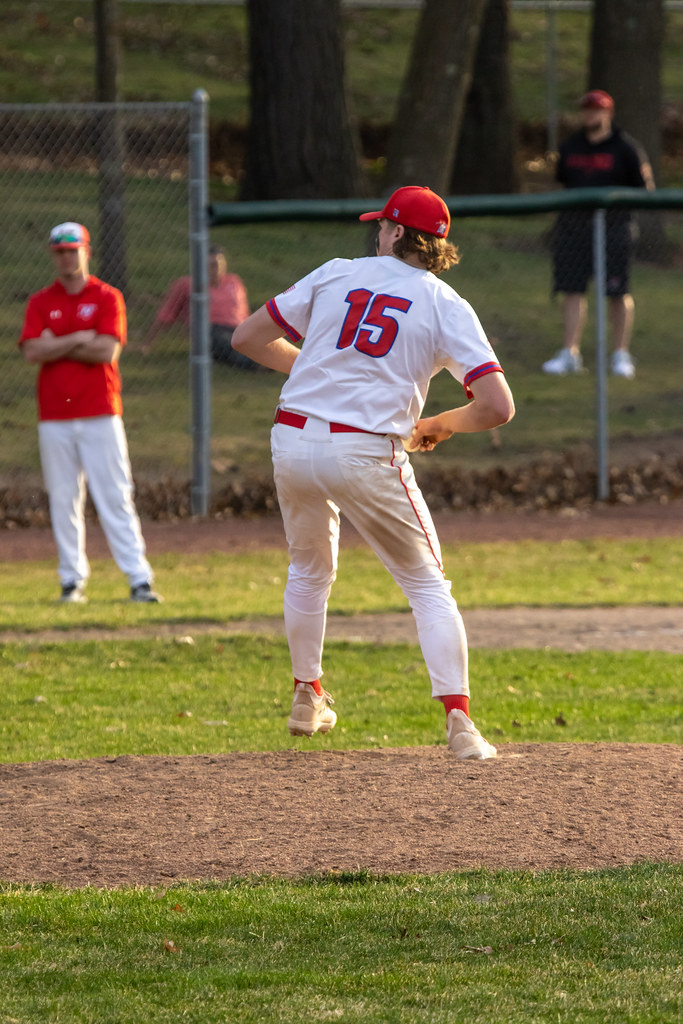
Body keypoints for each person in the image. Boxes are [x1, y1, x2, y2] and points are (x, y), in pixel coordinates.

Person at [231, 185, 515, 760]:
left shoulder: (337, 272)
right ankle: (459, 725)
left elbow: (247, 338)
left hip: (292, 437)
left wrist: (309, 368)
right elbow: (496, 406)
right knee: (426, 584)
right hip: (365, 449)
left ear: (395, 233)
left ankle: (307, 694)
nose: (377, 233)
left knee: (309, 569)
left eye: (382, 225)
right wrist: (442, 422)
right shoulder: (444, 303)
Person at [19, 222, 162, 605]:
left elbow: (106, 351)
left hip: (100, 409)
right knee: (64, 498)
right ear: (53, 255)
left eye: (72, 249)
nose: (66, 257)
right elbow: (32, 350)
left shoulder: (107, 297)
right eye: (60, 251)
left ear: (86, 251)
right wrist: (80, 337)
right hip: (54, 415)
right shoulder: (40, 301)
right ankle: (71, 580)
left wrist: (57, 344)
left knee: (115, 495)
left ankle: (138, 579)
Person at [543, 89, 655, 380]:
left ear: (609, 113)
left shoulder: (626, 148)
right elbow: (562, 183)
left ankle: (620, 353)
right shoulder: (571, 147)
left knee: (617, 292)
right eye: (586, 109)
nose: (591, 114)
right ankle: (570, 352)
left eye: (597, 109)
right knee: (572, 290)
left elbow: (645, 188)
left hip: (614, 229)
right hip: (573, 229)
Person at [142, 244, 261, 370]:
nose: (217, 269)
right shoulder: (186, 284)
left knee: (272, 333)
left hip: (238, 327)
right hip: (208, 328)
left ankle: (272, 357)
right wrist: (148, 343)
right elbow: (165, 315)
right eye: (212, 265)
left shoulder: (234, 282)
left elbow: (244, 310)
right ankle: (257, 363)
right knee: (226, 342)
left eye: (220, 264)